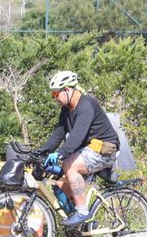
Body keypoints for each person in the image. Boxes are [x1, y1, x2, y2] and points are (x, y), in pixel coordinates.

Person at [40, 70, 121, 226]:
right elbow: (59, 133)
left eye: (56, 94)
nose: (54, 98)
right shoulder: (66, 109)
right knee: (60, 184)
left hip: (105, 148)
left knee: (69, 165)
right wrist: (43, 151)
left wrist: (60, 153)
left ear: (68, 90)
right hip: (88, 149)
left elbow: (77, 135)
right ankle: (86, 225)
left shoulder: (86, 105)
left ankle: (82, 212)